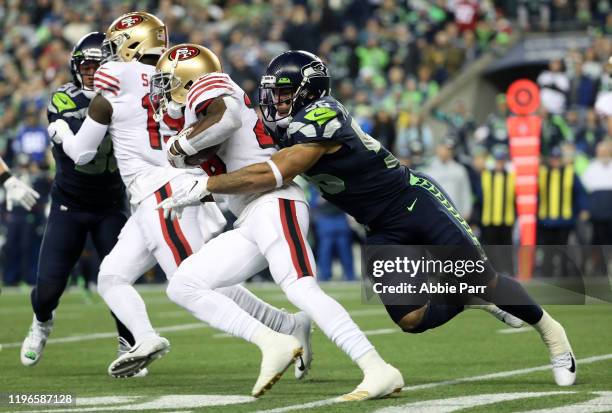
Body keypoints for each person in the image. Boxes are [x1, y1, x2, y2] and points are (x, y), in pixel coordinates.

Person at [159, 50, 577, 387]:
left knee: (481, 276)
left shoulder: (324, 113)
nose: (276, 102)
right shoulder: (284, 125)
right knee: (411, 319)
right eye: (272, 93)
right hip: (379, 226)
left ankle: (553, 335)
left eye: (284, 93)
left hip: (413, 202)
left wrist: (210, 187)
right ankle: (467, 298)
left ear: (309, 91)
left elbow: (279, 171)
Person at [49, 14, 311, 381]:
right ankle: (144, 338)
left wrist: (60, 128)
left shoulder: (115, 79)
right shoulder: (174, 71)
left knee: (190, 283)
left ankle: (275, 333)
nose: (107, 57)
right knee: (111, 276)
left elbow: (82, 152)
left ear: (130, 43)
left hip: (164, 191)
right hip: (156, 191)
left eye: (113, 46)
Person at [151, 44, 402, 400]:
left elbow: (227, 118)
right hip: (250, 213)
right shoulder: (195, 114)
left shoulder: (213, 90)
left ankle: (377, 368)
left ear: (190, 77)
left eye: (168, 82)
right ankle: (277, 335)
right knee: (185, 283)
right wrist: (194, 189)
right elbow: (233, 168)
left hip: (275, 201)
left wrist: (179, 147)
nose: (161, 91)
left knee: (301, 288)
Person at [20, 32, 139, 369]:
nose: (90, 72)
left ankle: (129, 345)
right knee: (47, 289)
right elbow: (83, 152)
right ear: (76, 68)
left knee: (118, 280)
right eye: (85, 66)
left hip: (111, 205)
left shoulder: (127, 98)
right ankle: (42, 323)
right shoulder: (64, 99)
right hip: (68, 204)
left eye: (98, 65)